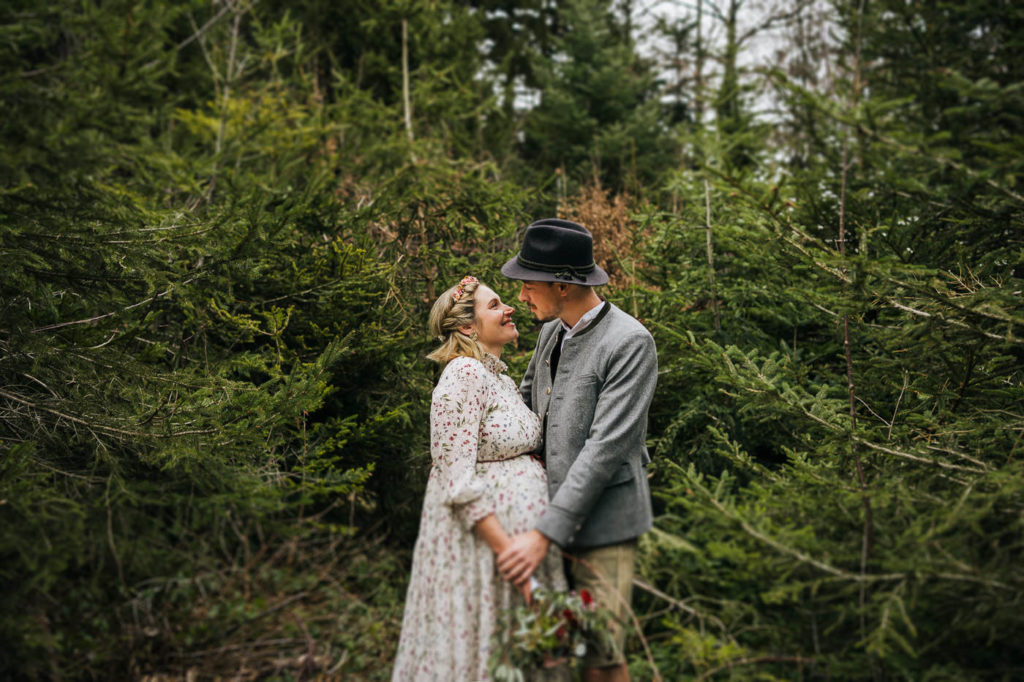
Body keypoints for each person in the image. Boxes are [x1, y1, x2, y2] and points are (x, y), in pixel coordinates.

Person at [497, 219, 657, 682]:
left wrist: (544, 534)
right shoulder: (553, 330)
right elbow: (526, 408)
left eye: (529, 285)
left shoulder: (629, 343)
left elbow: (605, 450)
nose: (521, 297)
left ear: (563, 285)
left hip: (603, 527)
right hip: (544, 520)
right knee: (556, 652)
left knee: (602, 656)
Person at [392, 276, 567, 681]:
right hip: (487, 554)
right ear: (468, 327)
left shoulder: (500, 380)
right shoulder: (463, 374)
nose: (509, 309)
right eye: (495, 305)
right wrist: (521, 569)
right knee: (484, 657)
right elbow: (456, 481)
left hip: (512, 554)